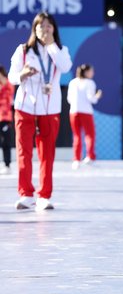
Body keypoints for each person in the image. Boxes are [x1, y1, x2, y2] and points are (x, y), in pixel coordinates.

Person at [8, 12, 72, 210]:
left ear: (54, 29)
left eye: (49, 26)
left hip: (49, 108)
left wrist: (52, 45)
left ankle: (44, 196)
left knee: (47, 154)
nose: (45, 29)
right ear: (34, 29)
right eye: (41, 26)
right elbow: (11, 77)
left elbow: (66, 66)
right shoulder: (23, 51)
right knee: (23, 152)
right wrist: (22, 74)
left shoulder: (60, 50)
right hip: (25, 107)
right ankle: (26, 194)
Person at [67, 63, 102, 170]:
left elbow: (69, 99)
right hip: (86, 112)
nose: (93, 73)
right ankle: (90, 157)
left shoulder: (73, 82)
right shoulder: (90, 83)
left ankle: (76, 160)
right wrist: (97, 96)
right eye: (91, 71)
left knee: (77, 135)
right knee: (90, 135)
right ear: (86, 72)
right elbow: (91, 99)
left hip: (74, 111)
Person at [0, 65, 14, 175]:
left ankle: (7, 164)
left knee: (6, 142)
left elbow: (10, 90)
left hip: (5, 117)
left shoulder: (8, 83)